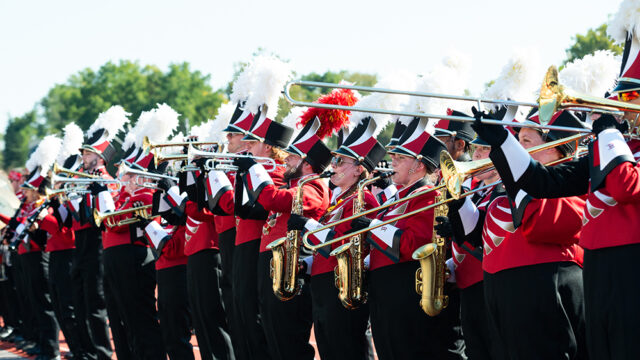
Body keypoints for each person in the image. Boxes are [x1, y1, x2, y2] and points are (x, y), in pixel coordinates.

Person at [349, 117, 449, 359]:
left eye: (401, 158)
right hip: (385, 290)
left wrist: (372, 226)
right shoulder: (399, 197)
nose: (392, 161)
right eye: (394, 156)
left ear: (420, 166)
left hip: (405, 289)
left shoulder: (427, 195)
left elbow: (413, 244)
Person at [287, 113, 384, 360]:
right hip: (324, 286)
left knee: (345, 350)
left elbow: (337, 244)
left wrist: (306, 224)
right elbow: (325, 249)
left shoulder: (364, 199)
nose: (334, 167)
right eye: (335, 161)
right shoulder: (340, 200)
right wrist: (304, 264)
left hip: (342, 286)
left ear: (359, 169)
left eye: (341, 161)